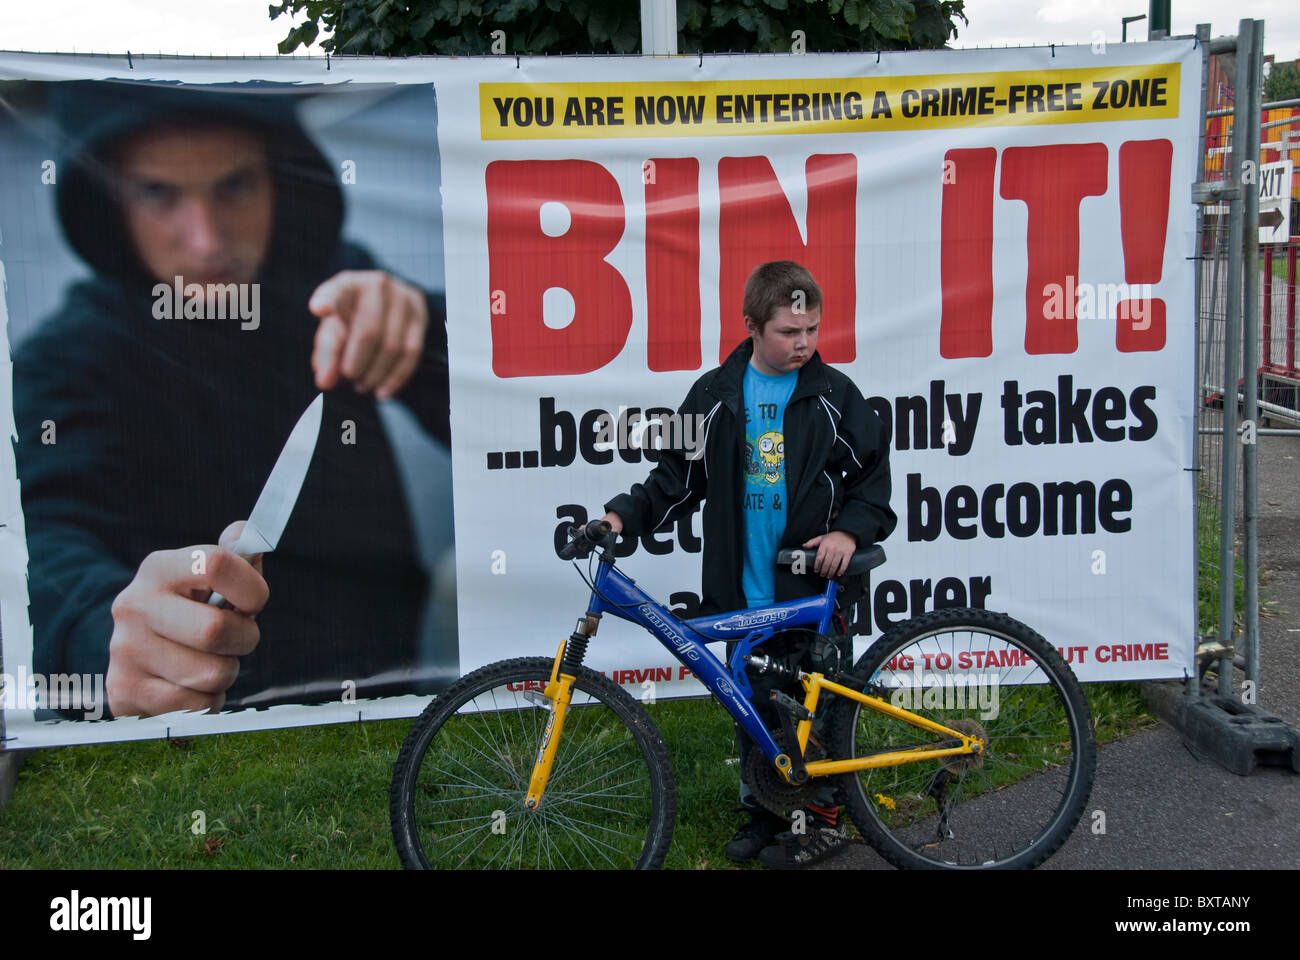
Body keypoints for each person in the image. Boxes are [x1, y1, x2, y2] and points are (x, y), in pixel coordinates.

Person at [13, 81, 452, 719]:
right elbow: (43, 542)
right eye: (159, 193)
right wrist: (102, 638)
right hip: (199, 736)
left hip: (388, 700)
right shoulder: (63, 363)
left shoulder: (335, 290)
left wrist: (423, 332)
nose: (206, 240)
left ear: (277, 180)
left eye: (234, 186)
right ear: (110, 202)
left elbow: (505, 426)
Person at [601, 260, 896, 868]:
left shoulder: (836, 396)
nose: (805, 343)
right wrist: (622, 518)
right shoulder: (713, 395)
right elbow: (673, 480)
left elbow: (874, 484)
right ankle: (768, 812)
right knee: (755, 704)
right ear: (753, 327)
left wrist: (848, 531)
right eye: (791, 332)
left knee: (816, 704)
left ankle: (823, 819)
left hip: (815, 587)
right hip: (741, 588)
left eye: (812, 329)